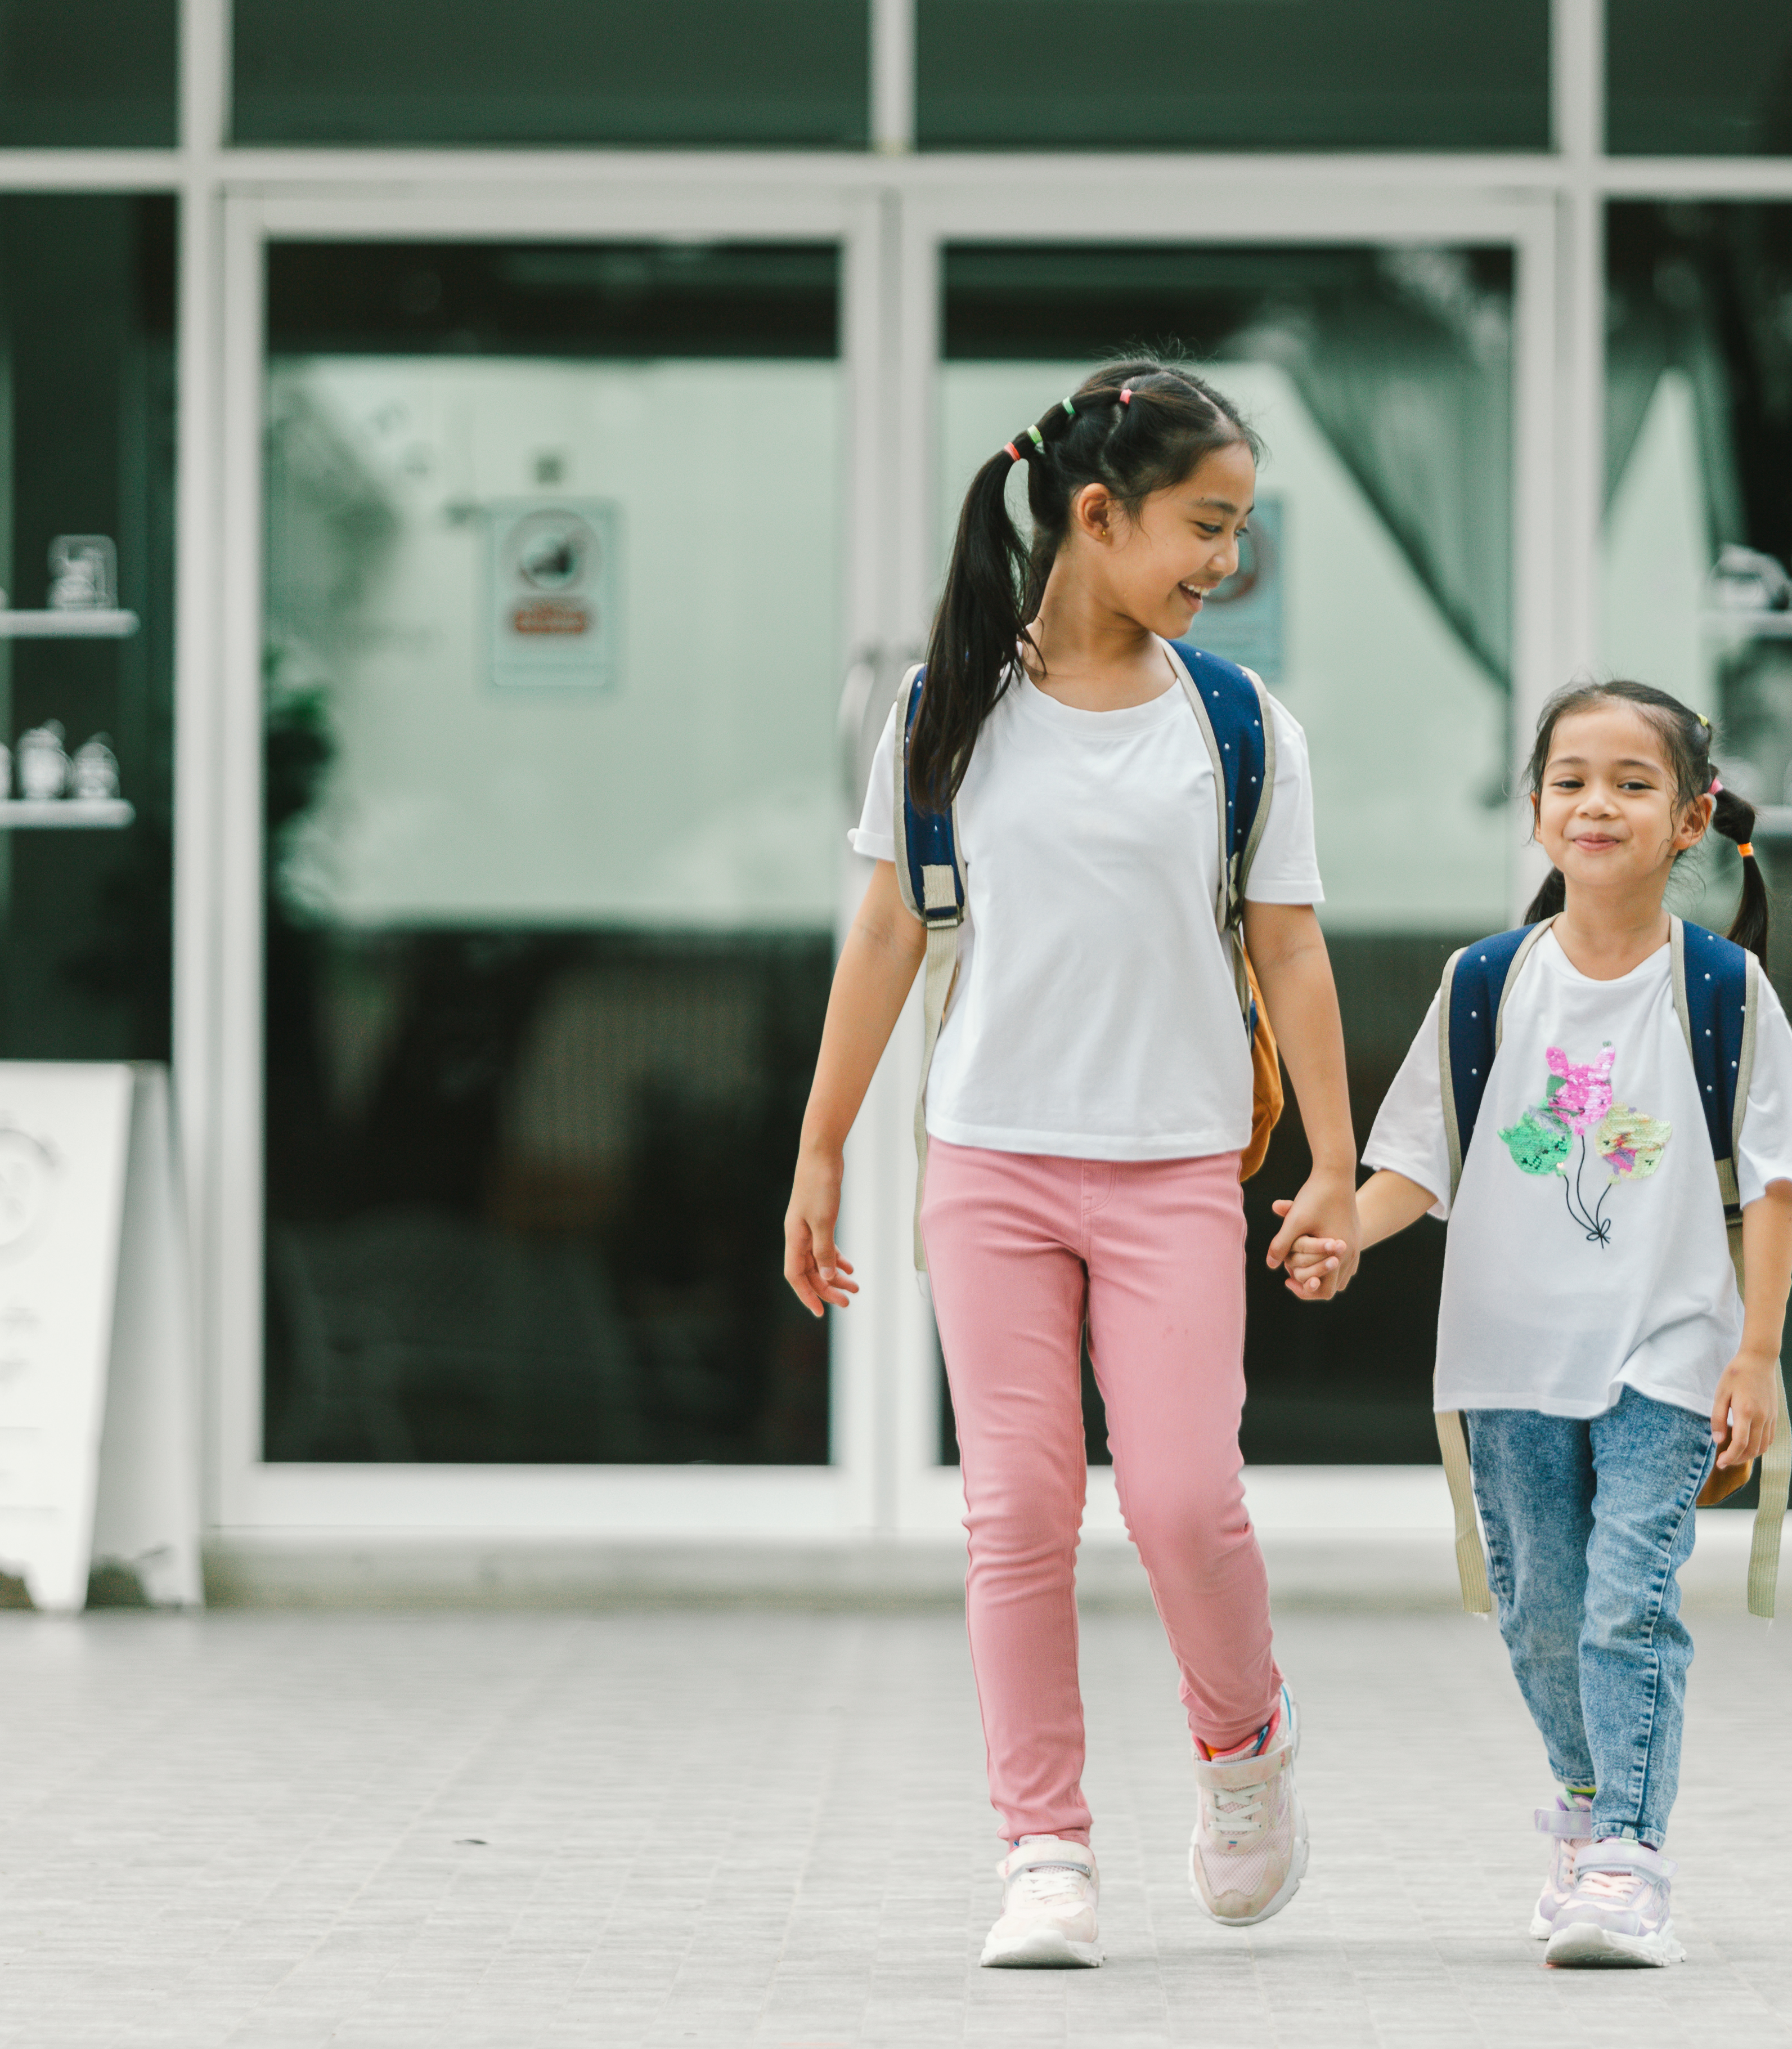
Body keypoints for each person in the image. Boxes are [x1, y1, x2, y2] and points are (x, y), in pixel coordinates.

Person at [781, 361, 1362, 1969]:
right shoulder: (946, 712)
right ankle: (1042, 1849)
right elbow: (887, 932)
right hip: (991, 1169)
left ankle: (1242, 1744)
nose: (1224, 561)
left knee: (1180, 1501)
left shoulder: (1236, 725)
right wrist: (820, 1149)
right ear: (1097, 516)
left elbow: (1290, 948)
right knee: (1019, 1514)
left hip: (1175, 1167)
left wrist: (1332, 1159)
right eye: (1205, 526)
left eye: (1237, 530)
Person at [1283, 679, 1792, 1967]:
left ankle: (1630, 1860)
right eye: (1571, 780)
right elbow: (1416, 1163)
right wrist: (1343, 1233)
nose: (1598, 804)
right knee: (1540, 1605)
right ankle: (1587, 1808)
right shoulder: (1485, 984)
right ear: (1535, 809)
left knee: (1626, 1600)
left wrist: (1756, 1358)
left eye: (1633, 784)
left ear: (1692, 820)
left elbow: (1774, 1183)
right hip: (1508, 1356)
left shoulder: (1723, 988)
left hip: (1668, 1349)